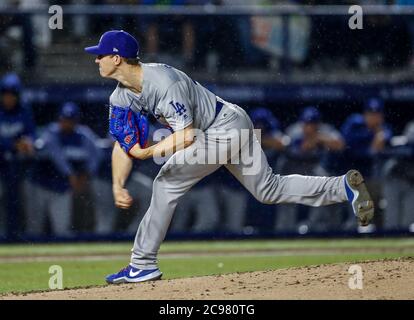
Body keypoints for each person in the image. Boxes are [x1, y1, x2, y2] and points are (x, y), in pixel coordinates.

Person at [84, 30, 374, 284]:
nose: (96, 60)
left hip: (223, 127)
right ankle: (343, 187)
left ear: (117, 58)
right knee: (268, 189)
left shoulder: (162, 81)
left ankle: (142, 264)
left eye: (101, 55)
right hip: (227, 125)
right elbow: (122, 145)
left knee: (165, 183)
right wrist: (117, 185)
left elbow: (186, 136)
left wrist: (148, 152)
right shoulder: (120, 97)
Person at [25, 102, 101, 237]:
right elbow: (57, 155)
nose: (66, 123)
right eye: (64, 119)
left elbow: (97, 154)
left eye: (70, 120)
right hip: (40, 185)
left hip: (62, 189)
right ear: (59, 119)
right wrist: (71, 175)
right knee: (34, 228)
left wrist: (87, 173)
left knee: (62, 229)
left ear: (76, 121)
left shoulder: (83, 135)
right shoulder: (51, 132)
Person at [276, 106, 345, 233]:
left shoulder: (324, 131)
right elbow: (284, 145)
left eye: (312, 123)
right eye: (306, 123)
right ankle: (285, 231)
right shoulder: (294, 131)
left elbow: (340, 144)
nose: (309, 127)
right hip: (293, 169)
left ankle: (316, 227)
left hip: (314, 170)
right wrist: (303, 146)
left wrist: (319, 139)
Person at [0, 72, 35, 240]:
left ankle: (15, 236)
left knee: (16, 202)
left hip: (17, 165)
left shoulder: (24, 110)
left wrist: (27, 143)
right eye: (5, 94)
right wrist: (11, 144)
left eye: (12, 94)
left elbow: (31, 134)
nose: (8, 98)